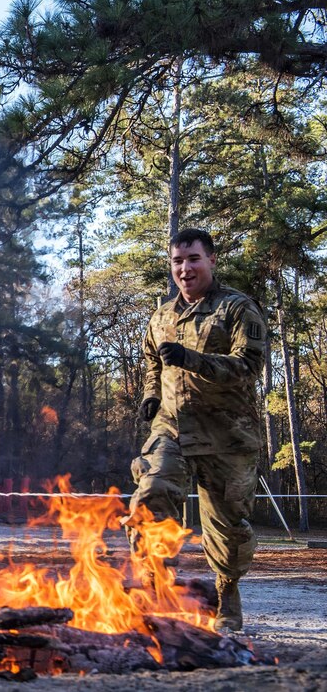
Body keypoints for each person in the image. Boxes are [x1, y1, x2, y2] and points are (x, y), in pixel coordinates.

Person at [127, 228, 266, 633]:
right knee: (151, 496)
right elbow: (152, 362)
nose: (185, 269)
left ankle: (227, 597)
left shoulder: (238, 309)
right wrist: (151, 396)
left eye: (193, 259)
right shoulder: (162, 315)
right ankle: (153, 589)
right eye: (177, 261)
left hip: (227, 434)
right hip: (171, 427)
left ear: (211, 261)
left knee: (227, 526)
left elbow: (249, 366)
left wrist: (194, 359)